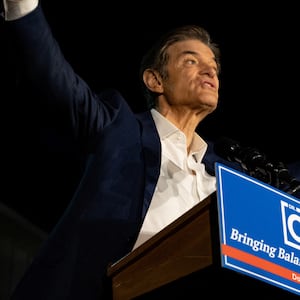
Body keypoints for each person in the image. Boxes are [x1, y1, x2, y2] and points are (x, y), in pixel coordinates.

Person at [2, 1, 299, 299]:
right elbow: (55, 81)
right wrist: (22, 6)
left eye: (214, 67)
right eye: (191, 61)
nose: (210, 70)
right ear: (155, 80)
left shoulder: (229, 176)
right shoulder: (120, 130)